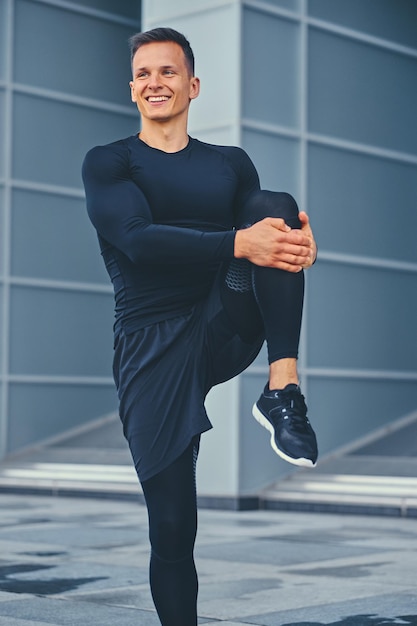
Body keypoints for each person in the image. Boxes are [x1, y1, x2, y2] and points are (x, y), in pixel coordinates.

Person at [82, 26, 318, 626]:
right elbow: (136, 242)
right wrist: (246, 243)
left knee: (277, 206)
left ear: (193, 84)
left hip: (221, 320)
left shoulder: (228, 164)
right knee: (172, 527)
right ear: (132, 89)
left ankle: (282, 390)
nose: (154, 82)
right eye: (143, 74)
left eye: (167, 72)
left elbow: (263, 231)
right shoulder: (111, 161)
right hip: (150, 343)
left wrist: (291, 246)